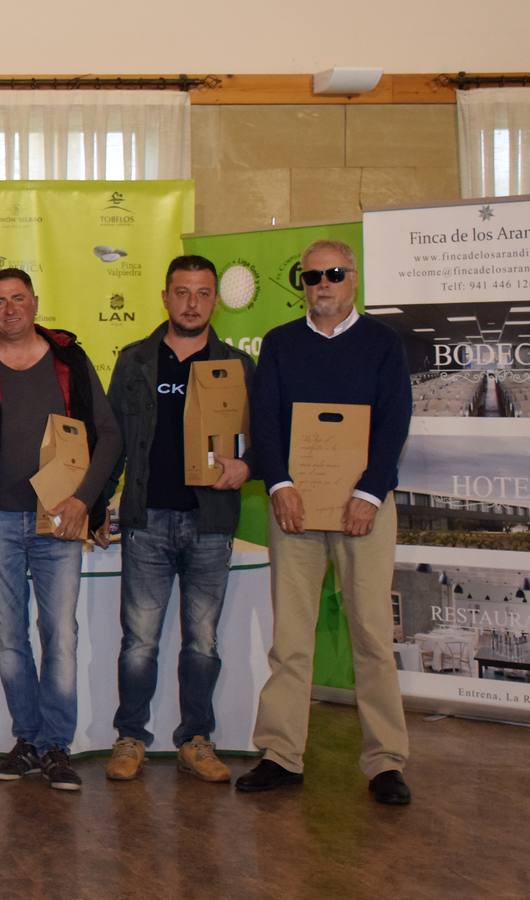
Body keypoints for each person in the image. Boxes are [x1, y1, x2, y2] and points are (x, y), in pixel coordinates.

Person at [237, 239, 414, 806]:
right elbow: (265, 421)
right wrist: (281, 485)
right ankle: (281, 754)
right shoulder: (281, 344)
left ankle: (385, 761)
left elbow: (394, 422)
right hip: (296, 509)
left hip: (365, 508)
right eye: (311, 277)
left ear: (353, 279)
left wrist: (368, 492)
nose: (323, 285)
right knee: (290, 639)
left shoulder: (383, 344)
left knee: (371, 635)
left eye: (333, 274)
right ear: (302, 284)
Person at [0, 267, 123, 792]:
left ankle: (57, 747)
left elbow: (110, 436)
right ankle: (27, 740)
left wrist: (84, 502)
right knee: (9, 641)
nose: (10, 309)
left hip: (60, 520)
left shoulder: (70, 359)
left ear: (35, 302)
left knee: (61, 638)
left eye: (18, 298)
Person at [100, 255, 254, 784]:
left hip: (210, 522)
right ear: (165, 297)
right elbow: (112, 440)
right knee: (138, 640)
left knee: (202, 641)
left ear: (215, 300)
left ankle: (196, 739)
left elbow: (261, 438)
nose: (192, 302)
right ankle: (130, 737)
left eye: (203, 293)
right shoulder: (135, 360)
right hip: (147, 521)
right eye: (182, 292)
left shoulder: (236, 366)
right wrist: (99, 503)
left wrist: (247, 465)